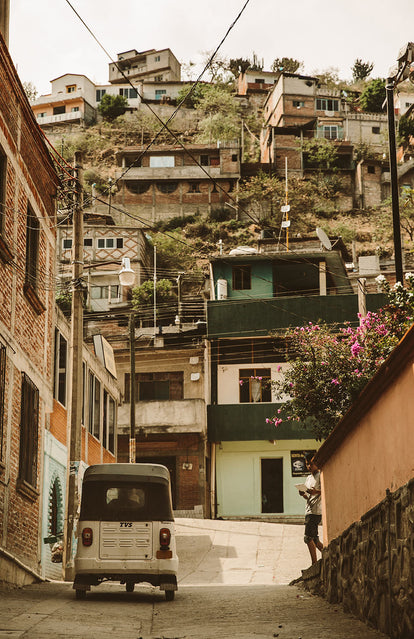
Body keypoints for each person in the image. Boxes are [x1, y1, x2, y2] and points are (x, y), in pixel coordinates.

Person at [299, 452, 323, 565]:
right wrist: (303, 494)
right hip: (308, 510)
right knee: (315, 539)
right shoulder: (308, 478)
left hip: (316, 511)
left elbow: (326, 490)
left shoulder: (321, 476)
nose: (309, 466)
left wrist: (316, 492)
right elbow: (308, 496)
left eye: (311, 464)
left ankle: (314, 563)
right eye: (307, 464)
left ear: (317, 464)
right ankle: (329, 555)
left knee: (307, 538)